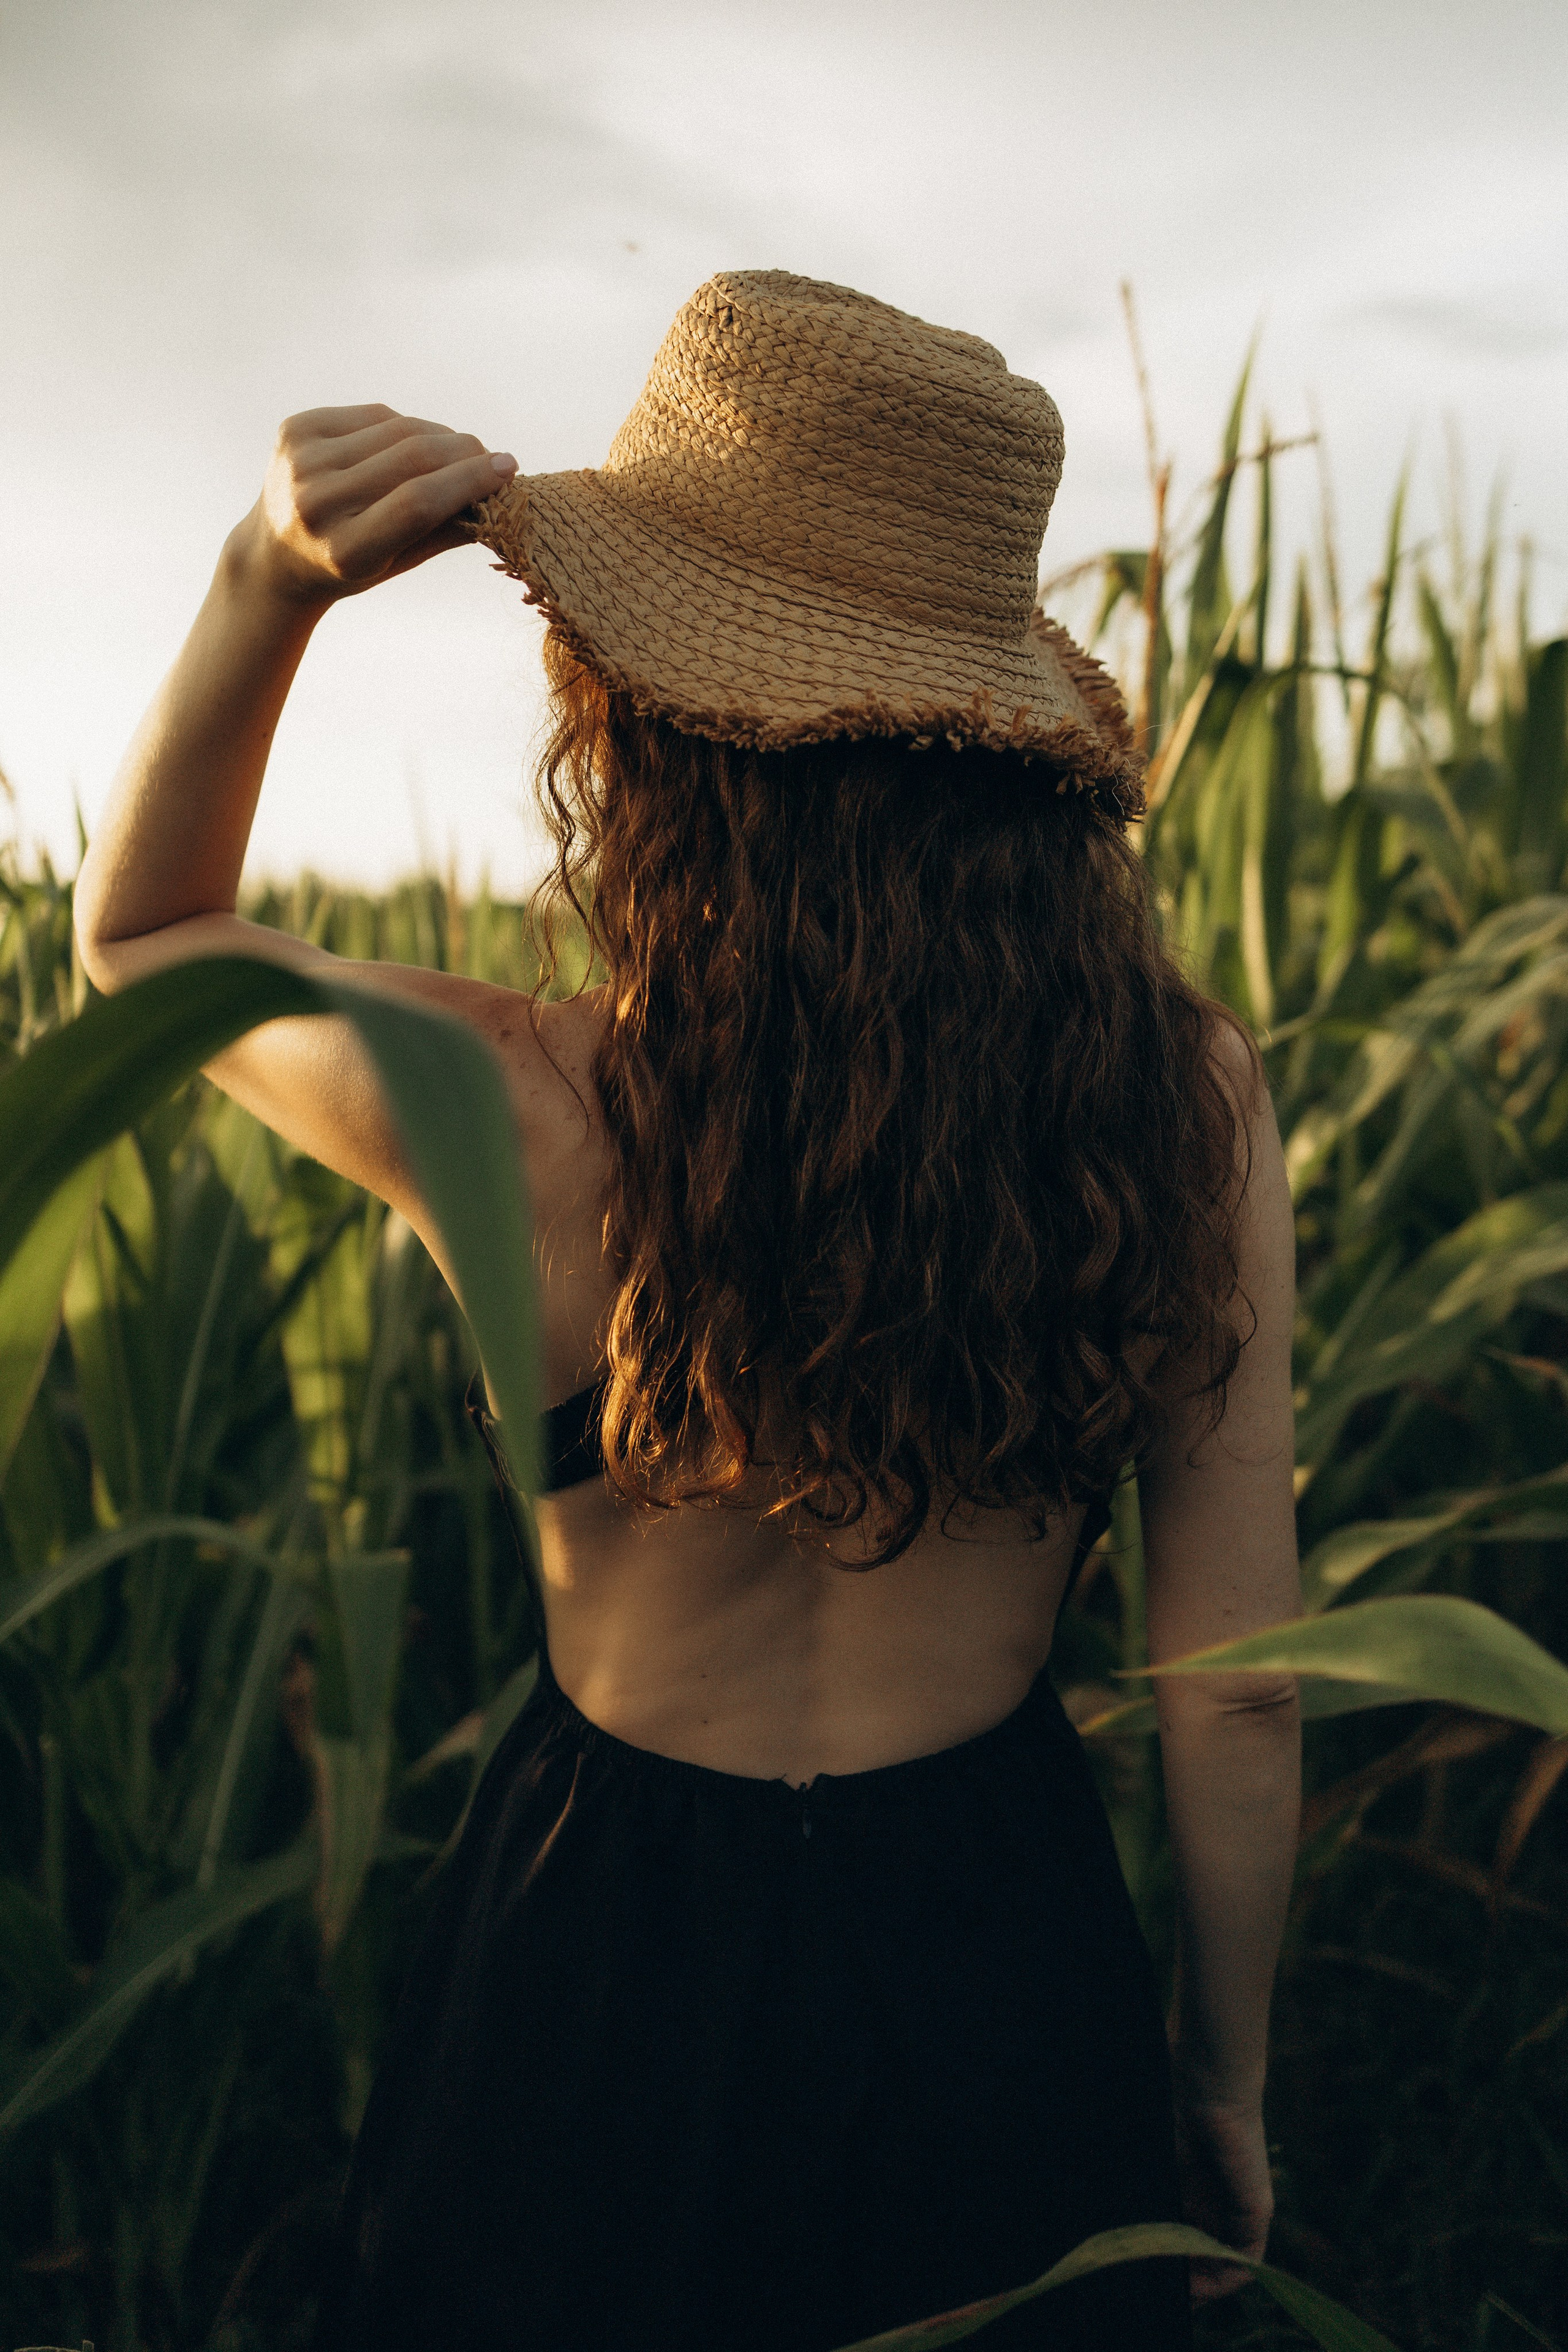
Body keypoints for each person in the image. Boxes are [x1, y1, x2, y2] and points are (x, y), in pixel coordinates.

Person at [73, 271, 1302, 2351]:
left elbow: (152, 940)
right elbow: (1241, 1685)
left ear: (640, 710)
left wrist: (261, 584)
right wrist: (1221, 2074)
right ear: (1003, 754)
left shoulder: (520, 1100)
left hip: (596, 1943)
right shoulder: (1183, 1103)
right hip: (990, 1942)